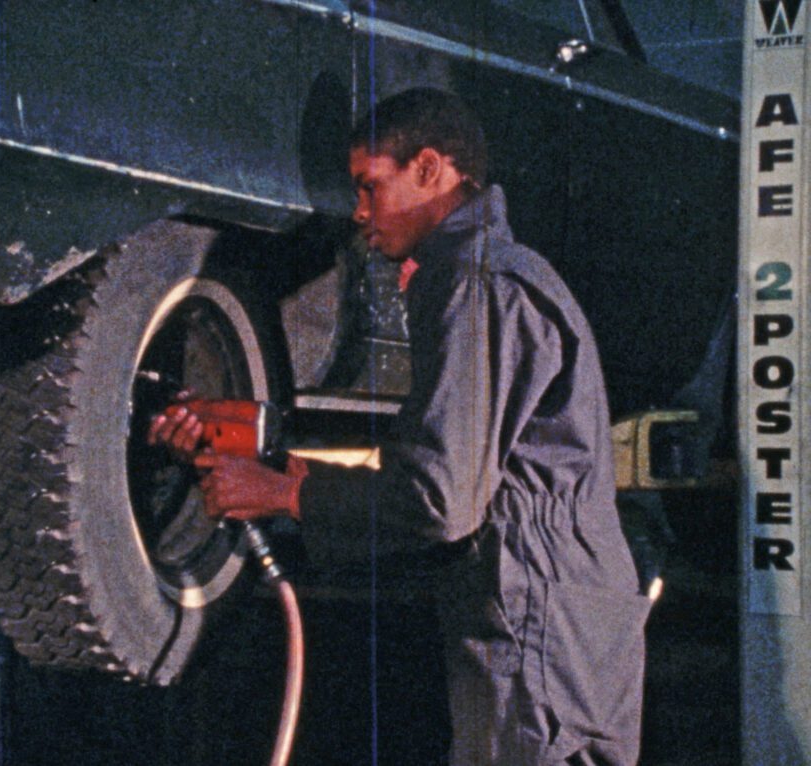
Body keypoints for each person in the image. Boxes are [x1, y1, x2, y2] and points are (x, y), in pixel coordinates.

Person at [149, 88, 650, 766]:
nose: (359, 213)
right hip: (560, 624)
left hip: (541, 631)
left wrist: (282, 495)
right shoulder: (487, 276)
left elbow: (441, 500)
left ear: (431, 169)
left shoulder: (475, 285)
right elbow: (457, 472)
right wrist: (289, 464)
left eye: (369, 186)